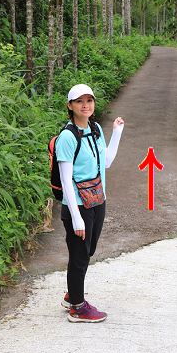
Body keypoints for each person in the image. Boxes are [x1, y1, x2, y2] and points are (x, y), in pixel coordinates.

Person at [56, 83, 124, 322]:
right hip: (78, 206)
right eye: (79, 101)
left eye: (89, 100)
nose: (85, 105)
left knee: (88, 250)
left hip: (97, 200)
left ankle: (71, 293)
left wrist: (116, 132)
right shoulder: (67, 137)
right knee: (80, 254)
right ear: (70, 105)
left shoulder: (95, 129)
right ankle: (77, 307)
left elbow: (105, 162)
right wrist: (76, 218)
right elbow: (66, 181)